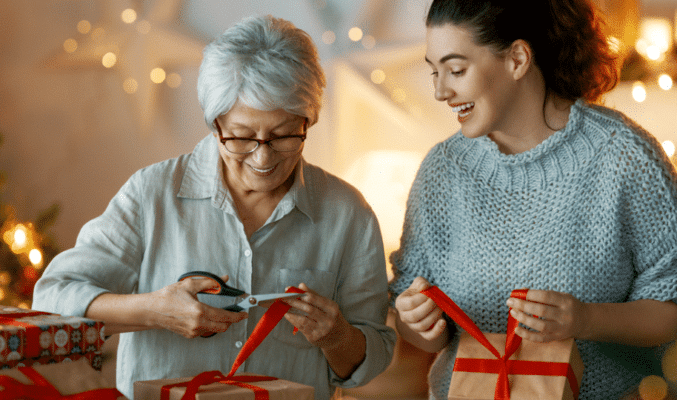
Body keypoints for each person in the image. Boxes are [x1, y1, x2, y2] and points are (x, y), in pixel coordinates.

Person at [33, 15, 395, 400]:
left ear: (309, 119)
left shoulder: (347, 213)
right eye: (241, 137)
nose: (262, 157)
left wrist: (337, 337)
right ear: (214, 123)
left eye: (284, 135)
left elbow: (372, 359)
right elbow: (52, 300)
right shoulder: (152, 194)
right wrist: (154, 310)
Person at [389, 0, 677, 399]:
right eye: (434, 71)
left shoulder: (624, 157)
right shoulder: (442, 171)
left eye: (456, 70)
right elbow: (419, 332)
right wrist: (416, 322)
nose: (440, 91)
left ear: (518, 59)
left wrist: (587, 319)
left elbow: (670, 310)